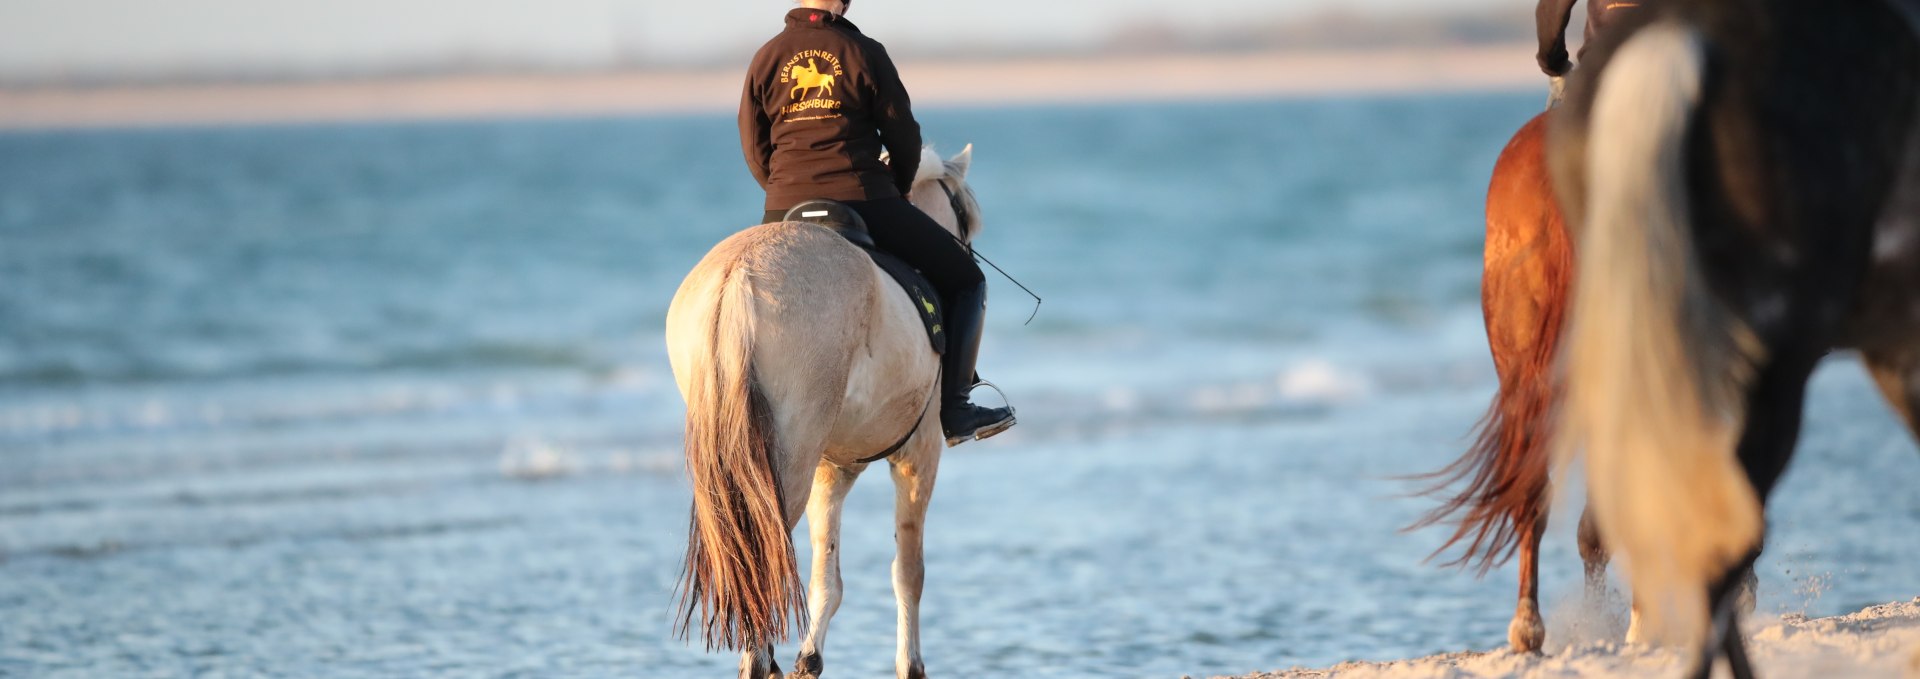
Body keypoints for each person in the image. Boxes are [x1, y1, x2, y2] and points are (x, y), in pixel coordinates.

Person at [739, 0, 1016, 445]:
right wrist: (901, 188)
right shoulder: (863, 51)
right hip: (863, 199)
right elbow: (904, 136)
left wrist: (783, 191)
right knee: (968, 281)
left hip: (783, 205)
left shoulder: (766, 57)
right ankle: (956, 411)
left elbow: (754, 147)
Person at [1536, 0, 1654, 78]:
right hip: (1664, 65)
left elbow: (1551, 10)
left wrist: (1556, 66)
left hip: (1601, 68)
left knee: (1567, 110)